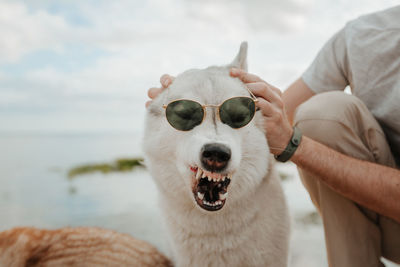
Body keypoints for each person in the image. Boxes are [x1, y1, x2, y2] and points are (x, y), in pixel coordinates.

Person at [146, 6, 400, 266]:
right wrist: (179, 100)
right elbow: (277, 118)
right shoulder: (362, 37)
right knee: (322, 115)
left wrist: (295, 147)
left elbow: (286, 138)